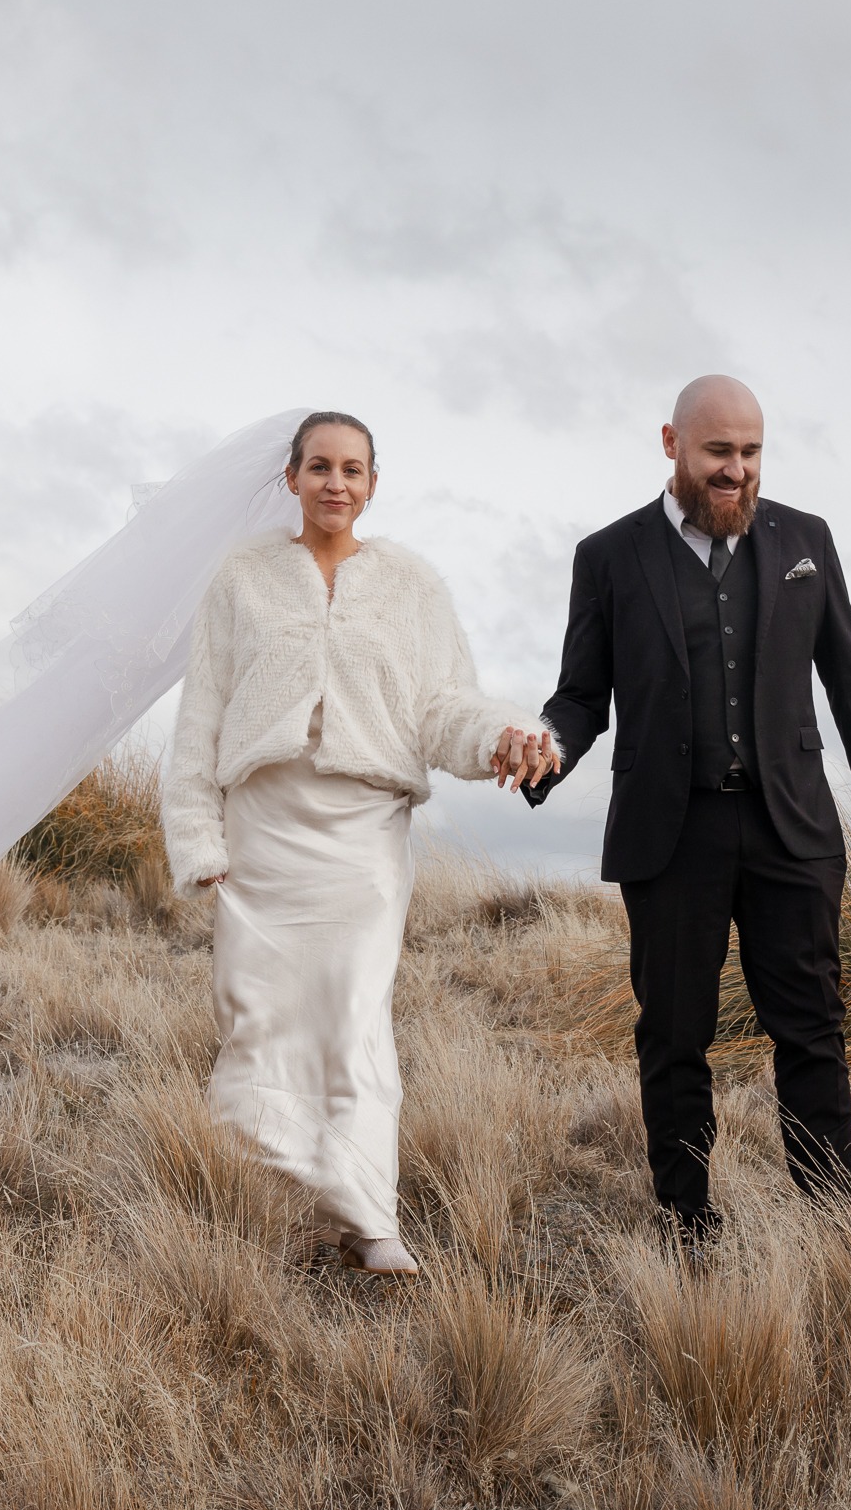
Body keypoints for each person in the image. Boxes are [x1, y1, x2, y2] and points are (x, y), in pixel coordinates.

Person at [524, 376, 851, 1245]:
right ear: (672, 443)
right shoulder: (609, 556)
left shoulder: (804, 540)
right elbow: (582, 695)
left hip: (794, 831)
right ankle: (686, 1220)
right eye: (718, 453)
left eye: (749, 453)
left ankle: (831, 1220)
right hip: (671, 836)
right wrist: (548, 745)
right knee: (674, 1034)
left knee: (812, 1029)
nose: (735, 471)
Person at [161, 411, 558, 1275]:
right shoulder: (241, 580)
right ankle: (256, 1210)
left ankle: (370, 1222)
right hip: (263, 828)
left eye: (352, 469)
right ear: (293, 478)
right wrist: (197, 835)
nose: (335, 482)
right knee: (257, 1019)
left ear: (374, 483)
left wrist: (501, 735)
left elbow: (445, 704)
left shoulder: (413, 585)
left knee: (352, 1019)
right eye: (318, 467)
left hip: (363, 836)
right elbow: (201, 720)